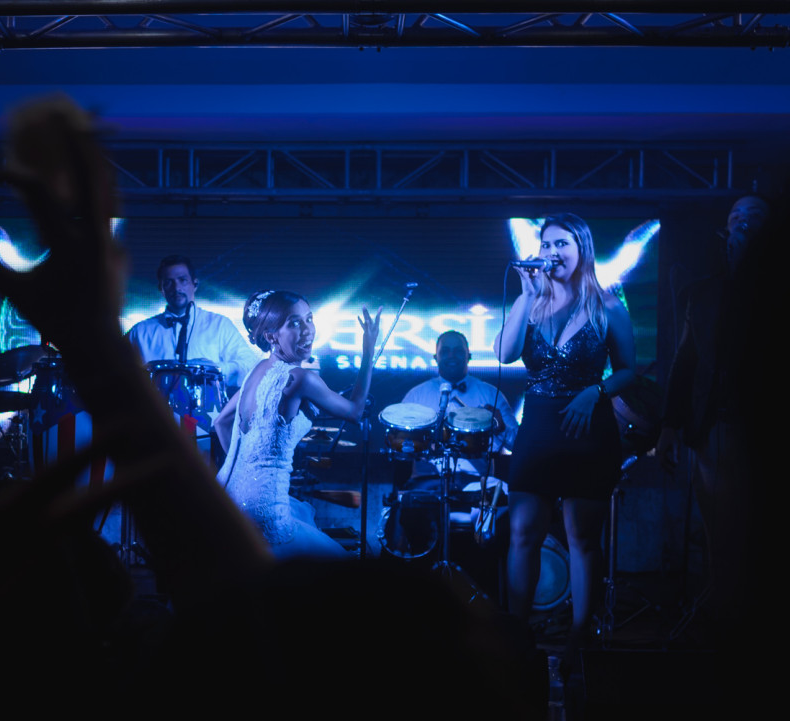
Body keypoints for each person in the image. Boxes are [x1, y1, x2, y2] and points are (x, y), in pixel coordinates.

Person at [494, 213, 636, 660]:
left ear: (582, 250)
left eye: (562, 244)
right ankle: (517, 635)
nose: (552, 253)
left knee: (582, 537)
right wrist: (525, 295)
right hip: (538, 429)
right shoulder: (531, 303)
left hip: (587, 429)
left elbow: (629, 370)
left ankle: (578, 640)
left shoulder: (608, 304)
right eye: (547, 244)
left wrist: (595, 392)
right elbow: (504, 353)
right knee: (522, 531)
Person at [656, 194, 770, 627]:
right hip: (715, 427)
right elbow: (685, 361)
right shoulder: (703, 293)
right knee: (718, 531)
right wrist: (669, 426)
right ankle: (724, 618)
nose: (744, 222)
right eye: (737, 216)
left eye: (755, 217)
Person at [215, 290, 381, 559]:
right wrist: (369, 350)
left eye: (309, 319)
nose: (307, 330)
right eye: (294, 323)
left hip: (225, 501)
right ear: (271, 336)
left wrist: (248, 469)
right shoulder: (302, 378)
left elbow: (221, 422)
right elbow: (355, 412)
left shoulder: (255, 371)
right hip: (264, 512)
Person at [126, 254, 260, 390]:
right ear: (161, 288)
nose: (176, 288)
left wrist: (213, 369)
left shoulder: (220, 325)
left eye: (182, 280)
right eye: (168, 282)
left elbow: (250, 365)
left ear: (195, 284)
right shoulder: (139, 332)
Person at [401, 329, 518, 480]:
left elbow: (517, 445)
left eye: (458, 351)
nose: (452, 356)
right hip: (426, 483)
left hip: (478, 485)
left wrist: (501, 429)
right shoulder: (416, 396)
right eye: (445, 351)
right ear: (435, 357)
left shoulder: (491, 394)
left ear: (469, 356)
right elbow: (399, 444)